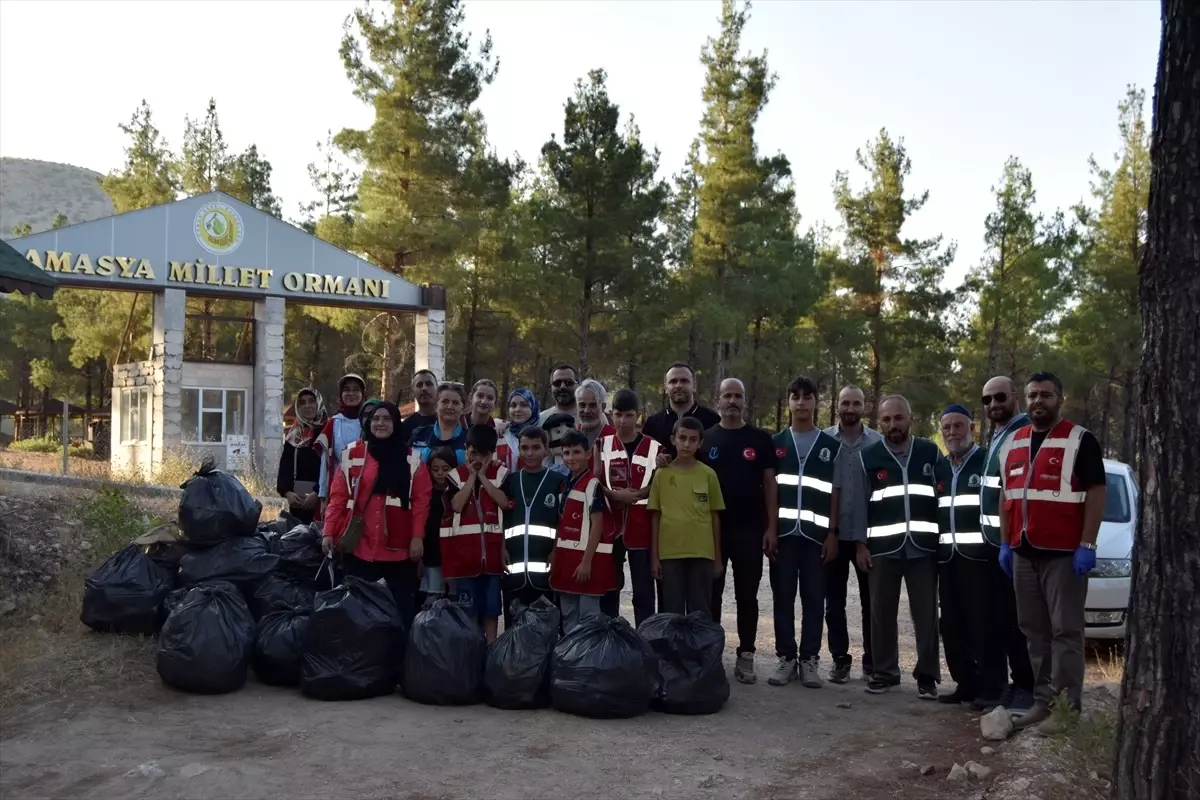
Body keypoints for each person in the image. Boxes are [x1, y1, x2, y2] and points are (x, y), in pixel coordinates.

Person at [999, 372, 1106, 736]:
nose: (1037, 401)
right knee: (1034, 631)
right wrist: (1004, 541)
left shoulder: (1080, 440)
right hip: (1023, 552)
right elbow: (1007, 496)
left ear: (1059, 399)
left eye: (1045, 395)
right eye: (1032, 395)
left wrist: (1087, 544)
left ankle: (1067, 708)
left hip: (1064, 554)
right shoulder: (1013, 441)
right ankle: (1042, 702)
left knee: (1065, 632)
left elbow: (1095, 492)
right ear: (1024, 399)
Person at [859, 395, 944, 699]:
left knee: (926, 615)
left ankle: (927, 676)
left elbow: (943, 499)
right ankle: (884, 672)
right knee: (881, 611)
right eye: (886, 419)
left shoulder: (930, 452)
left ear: (911, 418)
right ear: (879, 422)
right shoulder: (869, 457)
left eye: (898, 418)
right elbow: (860, 506)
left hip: (923, 548)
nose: (893, 425)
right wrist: (860, 545)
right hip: (883, 548)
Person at [322, 401, 429, 628]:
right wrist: (328, 532)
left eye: (387, 419)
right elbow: (338, 497)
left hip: (398, 550)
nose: (380, 423)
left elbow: (421, 502)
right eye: (376, 418)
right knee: (359, 614)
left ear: (396, 423)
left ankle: (397, 661)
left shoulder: (413, 460)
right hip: (361, 547)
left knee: (401, 612)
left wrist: (417, 537)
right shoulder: (352, 454)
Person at [702, 377, 778, 684]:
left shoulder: (760, 439)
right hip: (714, 531)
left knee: (747, 597)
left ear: (745, 401)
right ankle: (712, 656)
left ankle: (746, 655)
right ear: (717, 400)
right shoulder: (705, 439)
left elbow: (771, 485)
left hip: (750, 530)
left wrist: (772, 527)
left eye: (738, 396)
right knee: (712, 596)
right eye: (727, 396)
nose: (732, 401)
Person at [767, 377, 842, 689]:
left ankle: (809, 659)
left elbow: (835, 491)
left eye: (807, 397)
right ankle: (786, 657)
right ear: (788, 402)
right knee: (783, 597)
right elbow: (770, 489)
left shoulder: (830, 446)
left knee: (814, 598)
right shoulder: (776, 443)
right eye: (795, 397)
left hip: (816, 537)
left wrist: (833, 533)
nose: (801, 402)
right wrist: (770, 529)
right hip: (783, 536)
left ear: (816, 403)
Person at [978, 375, 1036, 713]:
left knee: (1018, 621)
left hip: (1012, 544)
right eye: (987, 400)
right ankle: (1005, 686)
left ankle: (1027, 686)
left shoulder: (1023, 433)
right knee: (999, 619)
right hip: (993, 544)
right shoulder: (999, 434)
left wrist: (1010, 541)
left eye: (999, 397)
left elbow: (1019, 493)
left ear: (1015, 397)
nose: (993, 405)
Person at [822, 385, 883, 683]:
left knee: (871, 601)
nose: (850, 408)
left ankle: (872, 661)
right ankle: (839, 659)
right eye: (845, 402)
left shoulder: (877, 442)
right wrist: (828, 532)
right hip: (832, 535)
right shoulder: (824, 440)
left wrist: (866, 540)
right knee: (833, 601)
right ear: (838, 405)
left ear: (864, 406)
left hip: (867, 538)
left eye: (856, 403)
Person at [935, 405, 993, 707]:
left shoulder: (986, 462)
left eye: (958, 426)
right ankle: (965, 684)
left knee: (981, 624)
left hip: (979, 559)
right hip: (948, 559)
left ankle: (989, 688)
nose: (952, 432)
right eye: (947, 427)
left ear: (972, 428)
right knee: (952, 625)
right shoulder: (941, 467)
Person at [596, 388, 662, 625]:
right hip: (610, 528)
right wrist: (616, 496)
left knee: (644, 592)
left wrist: (643, 492)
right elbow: (594, 483)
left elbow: (660, 485)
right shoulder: (601, 445)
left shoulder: (655, 447)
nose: (623, 421)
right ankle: (610, 640)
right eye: (618, 415)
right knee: (609, 589)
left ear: (638, 416)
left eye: (628, 415)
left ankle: (646, 642)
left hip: (641, 529)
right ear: (611, 415)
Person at [649, 417, 724, 618]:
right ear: (673, 440)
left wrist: (717, 557)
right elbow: (655, 516)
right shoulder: (661, 475)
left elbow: (714, 516)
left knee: (700, 611)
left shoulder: (708, 475)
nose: (687, 444)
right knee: (672, 611)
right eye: (682, 438)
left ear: (700, 443)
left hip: (701, 553)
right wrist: (655, 557)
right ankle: (674, 650)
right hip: (670, 554)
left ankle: (699, 650)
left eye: (692, 439)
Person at [444, 424, 510, 643]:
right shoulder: (456, 476)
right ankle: (472, 652)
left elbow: (504, 502)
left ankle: (490, 651)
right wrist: (471, 478)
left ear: (492, 454)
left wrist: (483, 478)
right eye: (472, 453)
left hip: (492, 560)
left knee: (491, 611)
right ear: (465, 449)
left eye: (483, 454)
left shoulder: (500, 475)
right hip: (465, 559)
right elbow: (456, 505)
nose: (477, 459)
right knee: (468, 612)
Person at [550, 430, 614, 633]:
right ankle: (570, 661)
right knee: (568, 615)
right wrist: (555, 553)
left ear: (588, 454)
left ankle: (588, 662)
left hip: (587, 563)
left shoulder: (592, 485)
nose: (571, 457)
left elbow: (598, 525)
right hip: (566, 560)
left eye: (576, 452)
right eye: (566, 453)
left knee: (588, 617)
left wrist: (586, 562)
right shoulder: (565, 484)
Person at [501, 426, 565, 627]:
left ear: (546, 449)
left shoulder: (557, 481)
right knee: (514, 623)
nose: (530, 453)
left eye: (536, 447)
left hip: (544, 567)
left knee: (545, 623)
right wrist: (501, 546)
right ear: (518, 449)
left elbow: (561, 521)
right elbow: (501, 517)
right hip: (514, 565)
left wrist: (556, 550)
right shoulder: (510, 481)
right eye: (525, 448)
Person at [641, 363, 721, 457]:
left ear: (694, 386)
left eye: (684, 381)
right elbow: (645, 461)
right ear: (666, 387)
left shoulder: (712, 420)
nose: (678, 385)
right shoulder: (652, 424)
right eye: (673, 381)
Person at [314, 373, 367, 518]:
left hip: (367, 492)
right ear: (340, 394)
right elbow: (325, 465)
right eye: (347, 389)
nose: (351, 393)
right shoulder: (333, 423)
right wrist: (323, 497)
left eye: (356, 390)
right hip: (338, 492)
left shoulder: (371, 423)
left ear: (363, 394)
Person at [277, 387, 325, 525]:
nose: (307, 406)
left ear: (319, 404)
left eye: (311, 401)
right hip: (298, 503)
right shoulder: (294, 434)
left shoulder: (328, 431)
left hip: (322, 501)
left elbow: (331, 466)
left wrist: (317, 493)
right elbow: (285, 466)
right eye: (302, 403)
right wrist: (287, 493)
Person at [414, 446, 455, 604]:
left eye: (445, 469)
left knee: (452, 600)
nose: (440, 473)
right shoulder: (424, 494)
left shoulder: (457, 493)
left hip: (451, 555)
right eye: (435, 469)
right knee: (431, 601)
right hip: (430, 555)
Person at [411, 382, 469, 464]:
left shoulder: (469, 438)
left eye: (455, 403)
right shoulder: (419, 434)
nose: (450, 406)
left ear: (463, 408)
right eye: (445, 401)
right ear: (436, 406)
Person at [576, 379, 616, 454]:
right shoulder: (573, 435)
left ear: (603, 407)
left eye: (593, 405)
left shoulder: (615, 438)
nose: (586, 411)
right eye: (582, 405)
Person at [400, 369, 439, 445]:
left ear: (437, 389)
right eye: (419, 385)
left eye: (429, 384)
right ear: (413, 392)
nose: (424, 388)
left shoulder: (448, 421)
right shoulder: (405, 426)